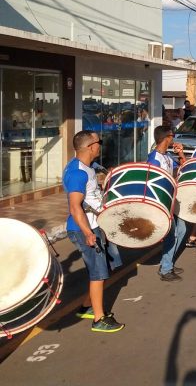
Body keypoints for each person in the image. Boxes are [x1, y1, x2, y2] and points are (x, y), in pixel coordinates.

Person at [64, 131, 125, 332]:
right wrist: (88, 233)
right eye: (99, 142)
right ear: (90, 146)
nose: (101, 145)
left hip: (96, 225)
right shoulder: (77, 173)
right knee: (98, 273)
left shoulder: (88, 167)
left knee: (105, 268)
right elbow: (75, 207)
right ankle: (99, 319)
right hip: (85, 229)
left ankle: (86, 306)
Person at [149, 125, 187, 282]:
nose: (174, 139)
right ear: (166, 138)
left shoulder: (167, 156)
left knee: (182, 230)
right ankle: (165, 269)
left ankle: (168, 262)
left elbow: (183, 167)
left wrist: (180, 153)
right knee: (172, 235)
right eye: (172, 136)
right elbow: (152, 182)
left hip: (172, 200)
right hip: (163, 202)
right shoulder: (154, 158)